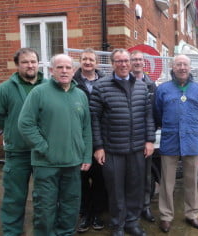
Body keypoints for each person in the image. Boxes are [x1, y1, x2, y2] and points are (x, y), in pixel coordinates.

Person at [18, 54, 92, 236]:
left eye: (68, 67)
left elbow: (86, 128)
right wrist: (43, 147)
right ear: (51, 71)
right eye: (60, 67)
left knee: (70, 208)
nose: (64, 71)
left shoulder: (80, 95)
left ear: (74, 71)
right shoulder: (39, 93)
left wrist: (86, 155)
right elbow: (25, 124)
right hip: (46, 165)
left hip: (73, 164)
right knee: (45, 210)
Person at [89, 48, 155, 236]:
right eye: (119, 61)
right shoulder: (101, 86)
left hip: (137, 149)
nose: (124, 64)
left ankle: (132, 223)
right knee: (116, 190)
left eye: (126, 60)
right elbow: (94, 119)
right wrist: (98, 146)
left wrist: (150, 140)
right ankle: (117, 226)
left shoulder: (142, 86)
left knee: (135, 188)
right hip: (112, 150)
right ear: (112, 64)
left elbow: (148, 116)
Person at [0, 48, 47, 236]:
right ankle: (12, 231)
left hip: (42, 151)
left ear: (38, 63)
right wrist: (12, 130)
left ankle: (41, 230)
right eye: (25, 62)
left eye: (33, 61)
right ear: (17, 65)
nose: (30, 65)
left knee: (43, 197)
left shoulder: (48, 86)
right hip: (17, 152)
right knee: (14, 197)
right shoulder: (6, 88)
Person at [154, 54, 198, 233]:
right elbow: (157, 113)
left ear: (190, 67)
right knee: (167, 182)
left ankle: (192, 214)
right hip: (170, 140)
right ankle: (165, 216)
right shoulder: (162, 89)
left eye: (185, 64)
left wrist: (188, 128)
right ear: (173, 67)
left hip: (191, 140)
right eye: (179, 64)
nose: (182, 68)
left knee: (191, 181)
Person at [73, 48, 107, 233]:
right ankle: (85, 213)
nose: (88, 62)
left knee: (100, 179)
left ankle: (97, 214)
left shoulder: (105, 82)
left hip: (101, 139)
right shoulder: (72, 81)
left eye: (91, 59)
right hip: (79, 140)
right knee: (82, 179)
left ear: (96, 62)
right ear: (80, 61)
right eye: (84, 59)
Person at [130, 50, 157, 223]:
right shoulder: (124, 82)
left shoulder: (151, 85)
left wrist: (150, 138)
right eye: (134, 59)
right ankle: (130, 209)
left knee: (146, 176)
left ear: (144, 63)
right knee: (129, 177)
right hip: (126, 138)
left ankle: (145, 207)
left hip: (144, 138)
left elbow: (154, 114)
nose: (137, 62)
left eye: (140, 59)